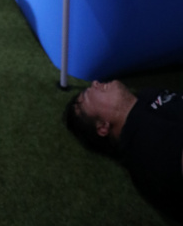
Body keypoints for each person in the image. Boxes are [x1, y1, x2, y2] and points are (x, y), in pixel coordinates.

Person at [65, 80, 183, 217]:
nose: (95, 83)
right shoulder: (148, 149)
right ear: (103, 127)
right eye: (86, 95)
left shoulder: (143, 99)